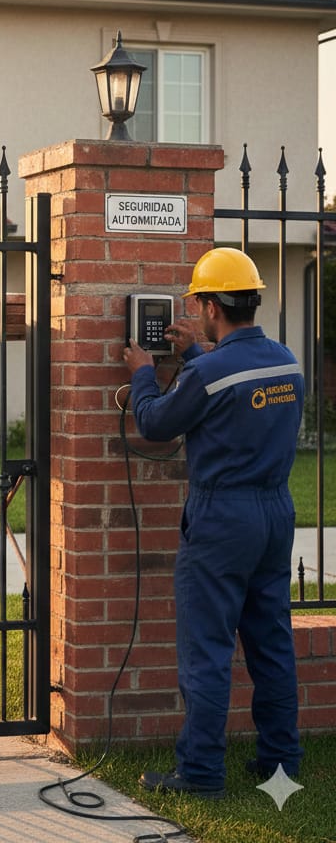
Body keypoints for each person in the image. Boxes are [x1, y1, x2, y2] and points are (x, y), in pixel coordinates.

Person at [123, 247, 303, 799]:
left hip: (222, 518)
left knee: (207, 649)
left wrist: (143, 377)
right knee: (271, 641)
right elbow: (240, 393)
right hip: (275, 513)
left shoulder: (206, 373)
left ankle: (200, 774)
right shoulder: (286, 360)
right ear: (250, 301)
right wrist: (197, 355)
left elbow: (155, 424)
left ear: (209, 306)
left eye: (198, 302)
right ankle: (281, 762)